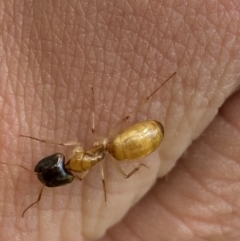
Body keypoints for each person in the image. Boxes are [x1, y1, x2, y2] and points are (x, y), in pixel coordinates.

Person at [0, 1, 240, 240]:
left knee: (127, 138)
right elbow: (82, 138)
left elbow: (79, 145)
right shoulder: (86, 156)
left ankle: (159, 91)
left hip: (130, 144)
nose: (68, 159)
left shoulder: (84, 165)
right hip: (124, 146)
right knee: (124, 142)